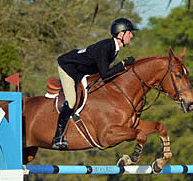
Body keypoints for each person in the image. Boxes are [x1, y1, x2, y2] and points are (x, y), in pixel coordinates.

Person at [52, 18, 138, 150]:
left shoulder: (113, 47)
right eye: (129, 32)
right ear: (121, 34)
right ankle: (57, 137)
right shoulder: (106, 47)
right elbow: (105, 75)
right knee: (71, 99)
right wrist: (122, 65)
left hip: (82, 70)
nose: (131, 35)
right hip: (68, 68)